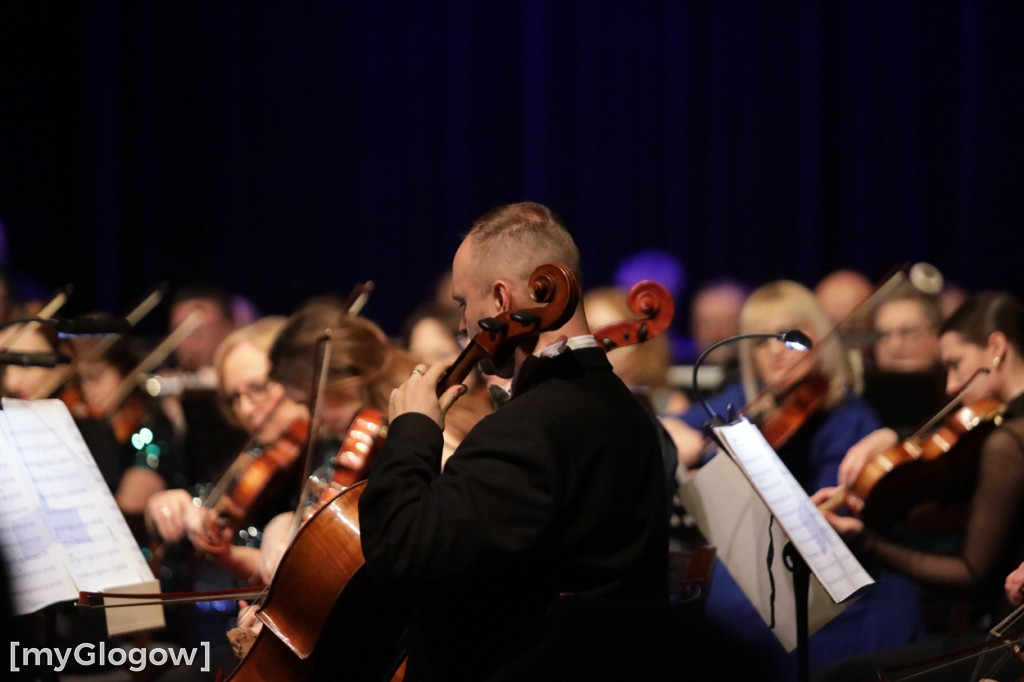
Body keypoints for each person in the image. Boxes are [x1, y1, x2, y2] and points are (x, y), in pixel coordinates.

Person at [358, 202, 670, 680]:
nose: (463, 328)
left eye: (464, 306)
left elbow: (400, 555)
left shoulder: (531, 428)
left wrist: (413, 429)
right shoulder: (625, 411)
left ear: (501, 301)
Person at [671, 280, 921, 679]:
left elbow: (827, 523)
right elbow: (671, 428)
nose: (774, 353)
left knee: (714, 609)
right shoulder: (751, 402)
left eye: (789, 337)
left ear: (820, 338)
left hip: (828, 585)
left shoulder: (847, 417)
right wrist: (697, 445)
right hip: (765, 562)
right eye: (760, 343)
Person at [813, 291, 1024, 681]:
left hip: (1008, 643)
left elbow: (972, 577)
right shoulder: (999, 428)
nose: (951, 385)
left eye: (956, 364)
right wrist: (892, 435)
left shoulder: (1007, 441)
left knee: (841, 677)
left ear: (996, 347)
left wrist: (865, 540)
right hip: (1004, 633)